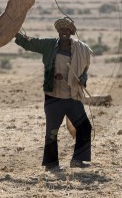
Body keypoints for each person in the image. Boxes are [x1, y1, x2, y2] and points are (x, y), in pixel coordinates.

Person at [15, 17, 93, 171]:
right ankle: (51, 164)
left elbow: (84, 70)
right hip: (53, 97)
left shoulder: (80, 49)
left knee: (85, 127)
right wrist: (15, 33)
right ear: (58, 31)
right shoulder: (49, 45)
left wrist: (83, 79)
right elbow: (30, 43)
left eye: (67, 30)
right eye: (61, 29)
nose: (64, 32)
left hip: (72, 96)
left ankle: (78, 160)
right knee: (52, 132)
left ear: (71, 32)